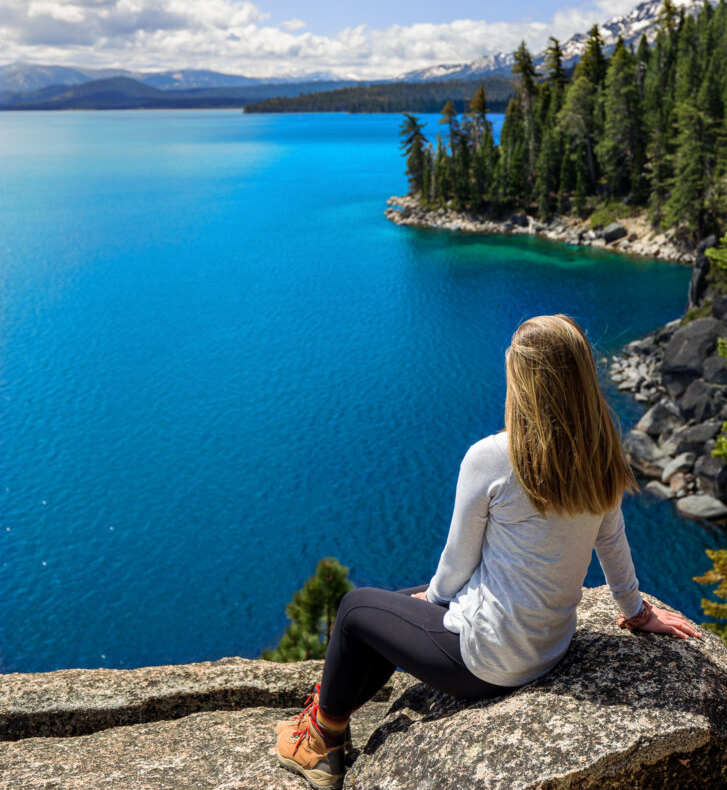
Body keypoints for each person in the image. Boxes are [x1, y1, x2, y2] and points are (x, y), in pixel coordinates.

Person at [276, 314, 702, 789]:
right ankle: (326, 714)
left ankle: (321, 742)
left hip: (487, 662)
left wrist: (434, 600)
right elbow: (612, 540)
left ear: (522, 378)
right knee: (395, 605)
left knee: (357, 609)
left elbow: (458, 561)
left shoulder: (493, 457)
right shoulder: (598, 450)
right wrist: (637, 611)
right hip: (548, 648)